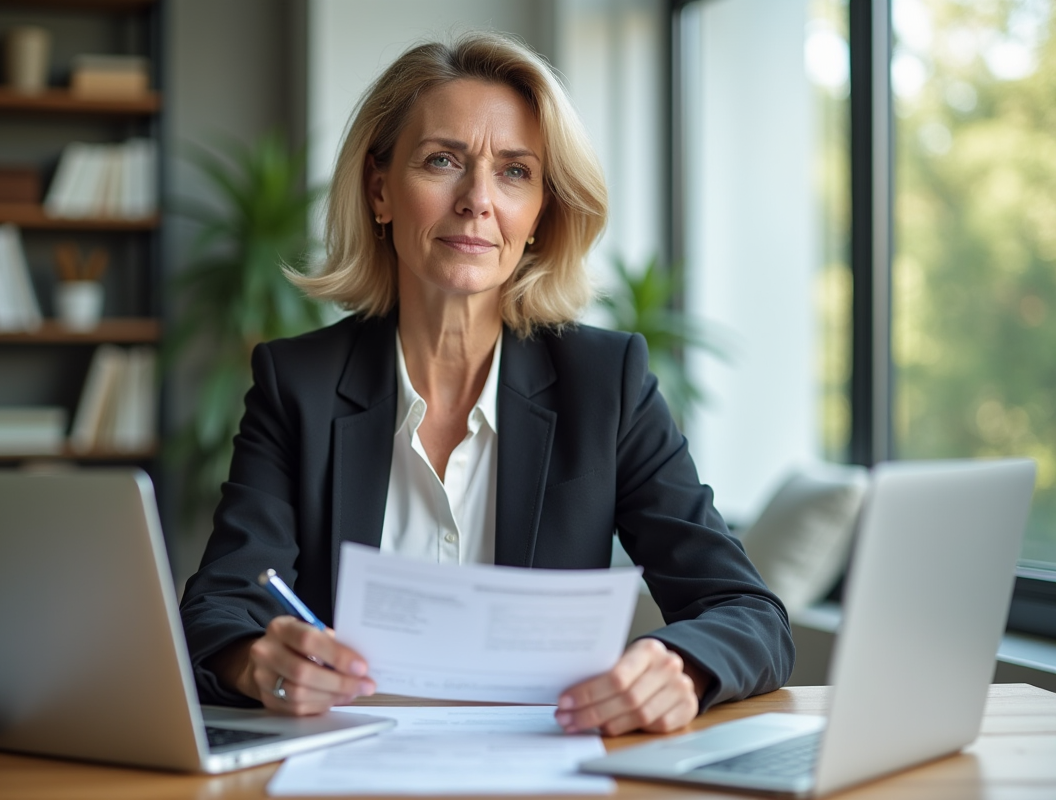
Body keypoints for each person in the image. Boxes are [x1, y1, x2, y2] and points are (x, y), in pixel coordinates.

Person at [179, 32, 794, 737]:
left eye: (514, 172)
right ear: (379, 190)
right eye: (442, 161)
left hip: (543, 772)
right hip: (343, 772)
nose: (477, 200)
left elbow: (751, 614)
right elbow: (220, 606)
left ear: (539, 215)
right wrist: (256, 660)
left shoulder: (606, 383)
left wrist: (678, 666)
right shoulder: (299, 385)